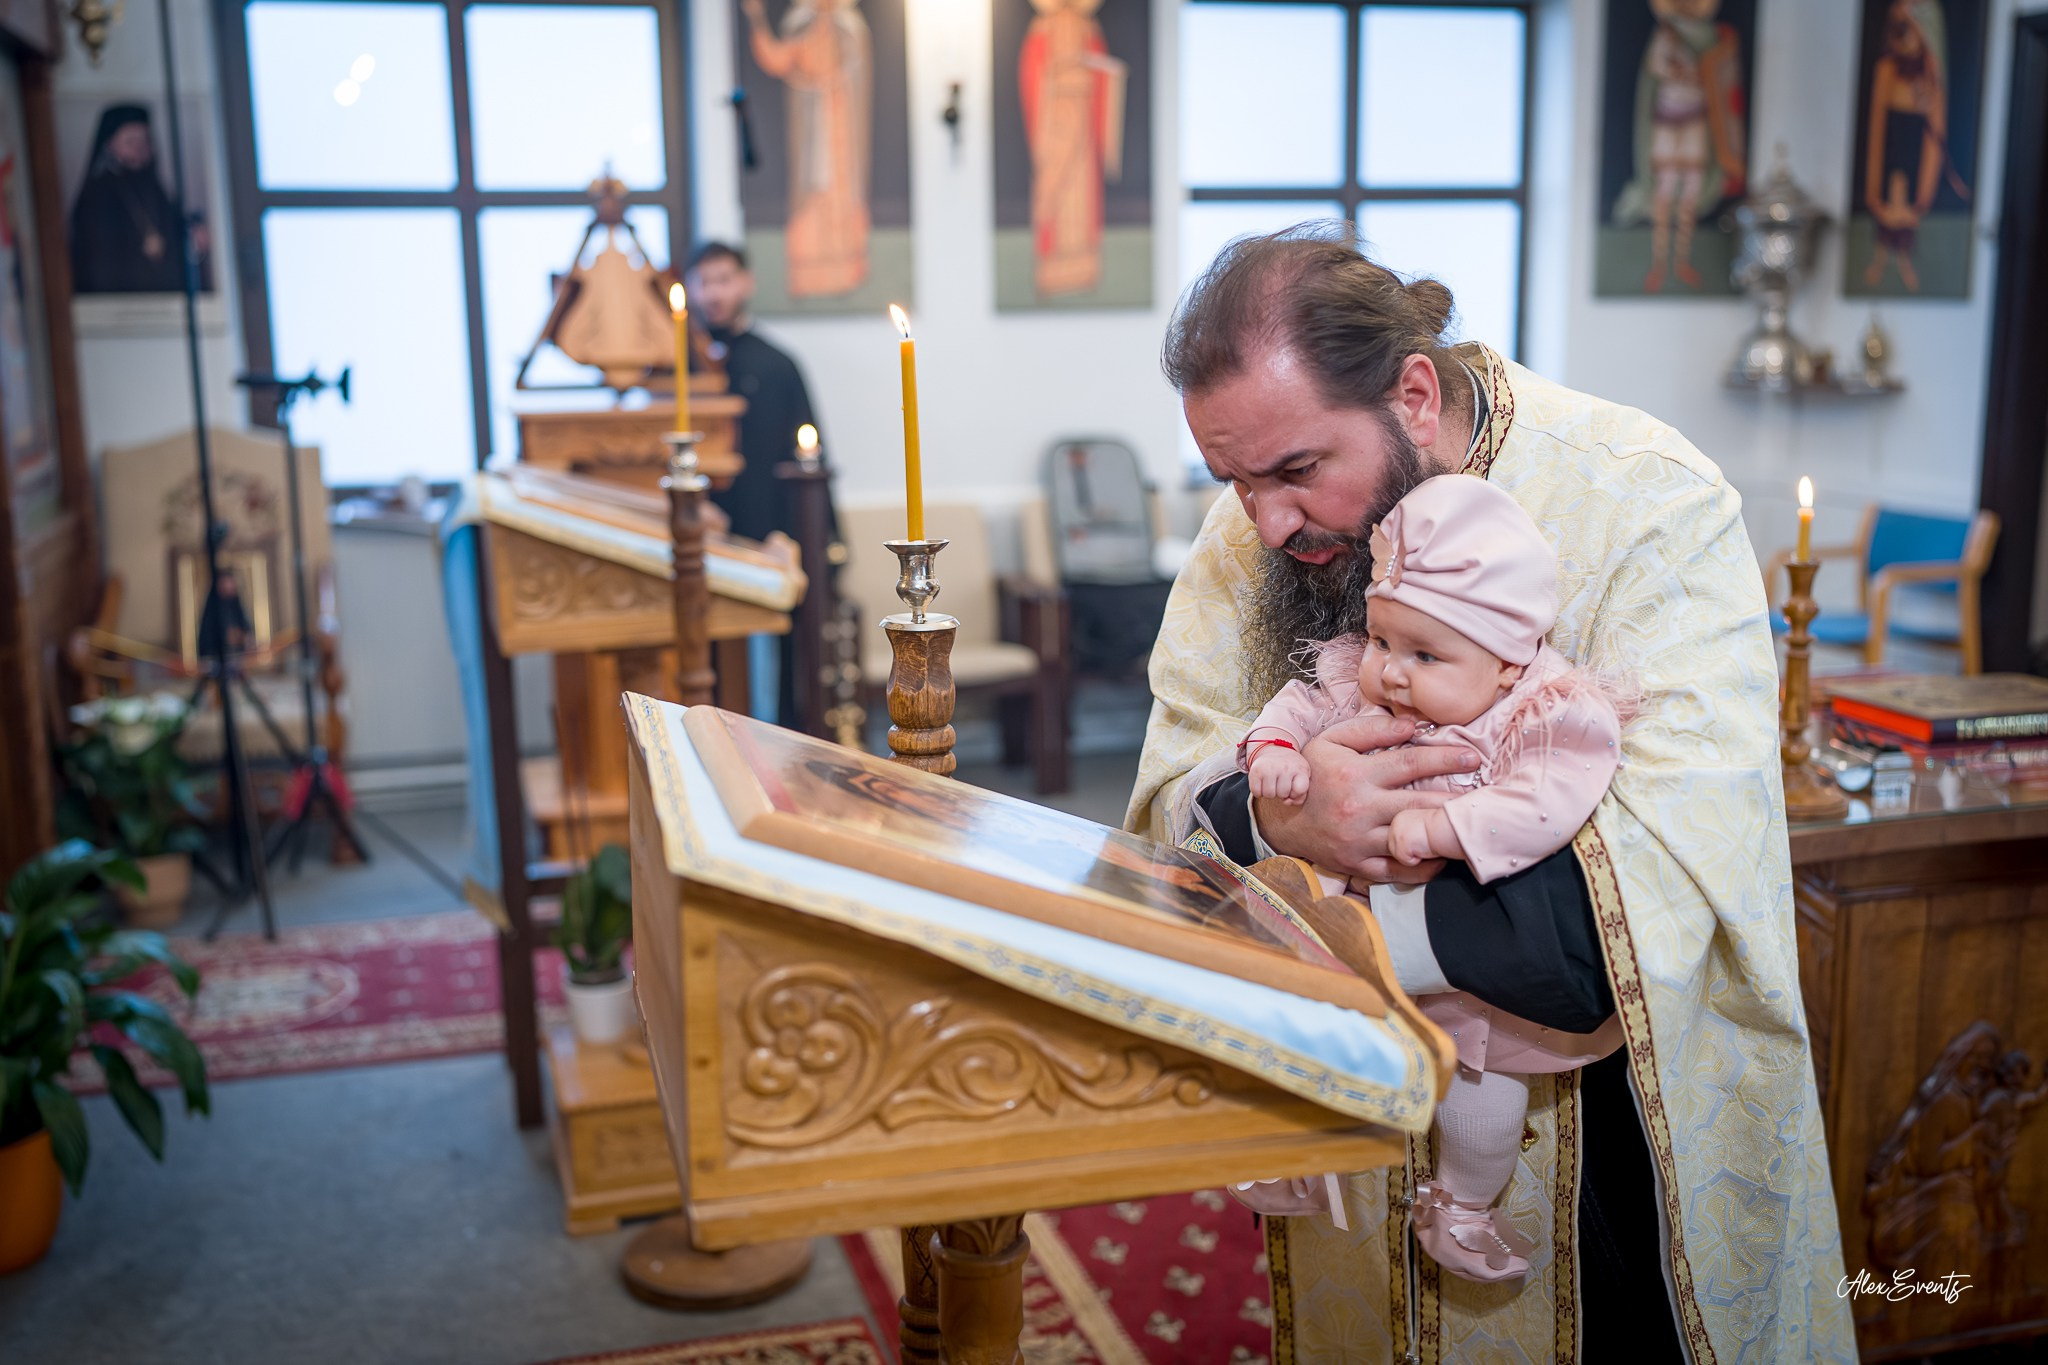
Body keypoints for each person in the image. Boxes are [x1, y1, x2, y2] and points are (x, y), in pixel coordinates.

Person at [1128, 225, 1854, 1361]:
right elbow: (1171, 785)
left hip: (1605, 1145)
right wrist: (1278, 815)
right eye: (1231, 479)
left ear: (1412, 394)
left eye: (1294, 472)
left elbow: (1660, 889)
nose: (1261, 520)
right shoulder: (1262, 522)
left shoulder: (1647, 502)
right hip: (1358, 1123)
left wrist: (1386, 858)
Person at [1233, 474, 1630, 1284]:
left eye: (1424, 655)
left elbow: (1546, 801)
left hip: (1464, 972)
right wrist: (1273, 753)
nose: (1392, 673)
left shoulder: (1539, 715)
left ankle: (1461, 1207)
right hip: (1346, 937)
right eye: (1383, 642)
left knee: (1482, 1102)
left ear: (1508, 659)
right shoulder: (1357, 675)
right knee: (1301, 1038)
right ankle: (1295, 1155)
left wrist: (1451, 826)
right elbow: (1294, 706)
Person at [686, 241, 840, 726]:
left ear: (746, 283)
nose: (715, 293)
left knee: (784, 661)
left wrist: (826, 541)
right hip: (702, 541)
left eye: (724, 279)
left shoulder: (776, 365)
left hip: (770, 532)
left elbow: (810, 458)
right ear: (691, 288)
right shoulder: (679, 368)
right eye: (705, 281)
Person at [740, 0, 872, 299]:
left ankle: (846, 272)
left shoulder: (849, 27)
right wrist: (757, 17)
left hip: (843, 130)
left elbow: (855, 65)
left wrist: (835, 80)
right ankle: (812, 278)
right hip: (814, 130)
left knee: (842, 197)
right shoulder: (802, 26)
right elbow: (777, 58)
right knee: (814, 196)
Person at [68, 104, 209, 295]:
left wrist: (192, 236)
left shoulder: (154, 189)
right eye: (130, 141)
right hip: (117, 301)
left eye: (144, 141)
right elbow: (97, 257)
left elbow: (173, 233)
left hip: (163, 299)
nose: (139, 149)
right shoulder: (97, 192)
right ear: (110, 144)